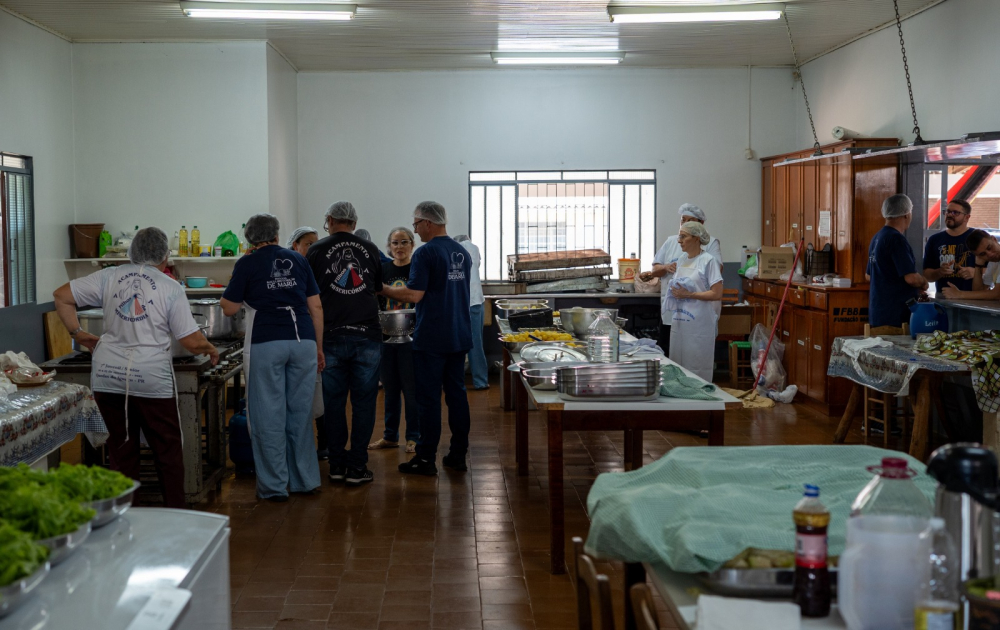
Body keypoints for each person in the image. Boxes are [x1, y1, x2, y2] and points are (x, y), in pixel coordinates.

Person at [52, 227, 219, 508]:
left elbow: (61, 296)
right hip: (150, 378)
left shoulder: (108, 276)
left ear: (130, 253)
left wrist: (77, 333)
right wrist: (210, 348)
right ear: (165, 256)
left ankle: (127, 515)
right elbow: (191, 341)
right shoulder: (170, 287)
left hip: (108, 375)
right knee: (166, 451)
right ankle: (176, 513)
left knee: (120, 451)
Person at [221, 215, 324, 501]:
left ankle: (275, 486)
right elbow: (316, 307)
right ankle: (304, 481)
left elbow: (229, 308)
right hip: (303, 340)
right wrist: (318, 347)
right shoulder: (298, 260)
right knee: (300, 413)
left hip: (267, 341)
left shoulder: (247, 263)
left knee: (268, 414)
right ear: (277, 236)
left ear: (249, 239)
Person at [381, 201, 472, 476]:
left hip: (432, 337)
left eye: (416, 224)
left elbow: (414, 295)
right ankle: (458, 455)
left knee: (429, 399)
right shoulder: (461, 252)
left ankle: (425, 458)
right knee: (457, 396)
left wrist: (381, 288)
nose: (416, 230)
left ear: (428, 223)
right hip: (459, 334)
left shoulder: (425, 252)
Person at [307, 201, 383, 486]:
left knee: (334, 403)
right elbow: (376, 288)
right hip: (367, 336)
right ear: (354, 222)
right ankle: (357, 467)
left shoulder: (316, 250)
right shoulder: (371, 249)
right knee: (364, 403)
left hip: (330, 336)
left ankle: (337, 465)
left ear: (329, 219)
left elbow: (310, 297)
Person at [639, 203, 722, 355]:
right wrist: (666, 267)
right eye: (683, 220)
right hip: (675, 311)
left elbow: (716, 275)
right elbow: (655, 270)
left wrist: (693, 277)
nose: (685, 223)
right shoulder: (674, 245)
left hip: (698, 312)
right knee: (672, 351)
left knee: (696, 353)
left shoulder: (709, 252)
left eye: (690, 220)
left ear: (700, 226)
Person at [369, 227, 420, 453]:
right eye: (395, 243)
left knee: (411, 389)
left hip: (412, 338)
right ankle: (390, 435)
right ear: (389, 246)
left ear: (412, 244)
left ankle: (414, 436)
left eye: (404, 242)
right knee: (390, 389)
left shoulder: (417, 269)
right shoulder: (383, 270)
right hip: (387, 337)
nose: (399, 247)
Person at [287, 226, 328, 461]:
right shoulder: (290, 271)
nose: (313, 248)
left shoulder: (316, 269)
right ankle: (297, 448)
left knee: (318, 393)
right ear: (295, 245)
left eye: (316, 243)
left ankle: (323, 442)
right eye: (309, 244)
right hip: (296, 339)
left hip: (313, 338)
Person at [666, 221, 724, 382]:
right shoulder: (682, 259)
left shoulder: (708, 260)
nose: (679, 240)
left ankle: (699, 393)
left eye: (683, 236)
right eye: (679, 236)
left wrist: (689, 294)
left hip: (700, 324)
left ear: (697, 238)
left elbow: (717, 293)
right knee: (678, 362)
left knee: (697, 363)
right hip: (680, 322)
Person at [866, 194, 929, 328]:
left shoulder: (877, 237)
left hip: (878, 311)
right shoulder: (896, 239)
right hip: (896, 313)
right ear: (906, 214)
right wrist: (923, 282)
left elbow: (869, 275)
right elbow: (911, 278)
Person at [455, 235, 488, 390]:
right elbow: (477, 265)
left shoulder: (454, 250)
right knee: (476, 342)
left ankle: (456, 381)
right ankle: (481, 381)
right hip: (476, 300)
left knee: (457, 343)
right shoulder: (475, 248)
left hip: (461, 302)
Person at [923, 199, 975, 293]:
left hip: (973, 298)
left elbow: (994, 270)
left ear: (966, 217)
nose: (950, 215)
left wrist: (975, 272)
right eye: (947, 211)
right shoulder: (934, 240)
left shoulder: (977, 237)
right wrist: (939, 272)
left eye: (955, 212)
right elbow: (927, 275)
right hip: (943, 298)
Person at [940, 229, 1000, 299]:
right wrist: (978, 265)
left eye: (989, 247)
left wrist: (959, 294)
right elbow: (979, 290)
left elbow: (997, 293)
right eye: (983, 254)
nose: (990, 254)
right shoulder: (993, 262)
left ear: (994, 239)